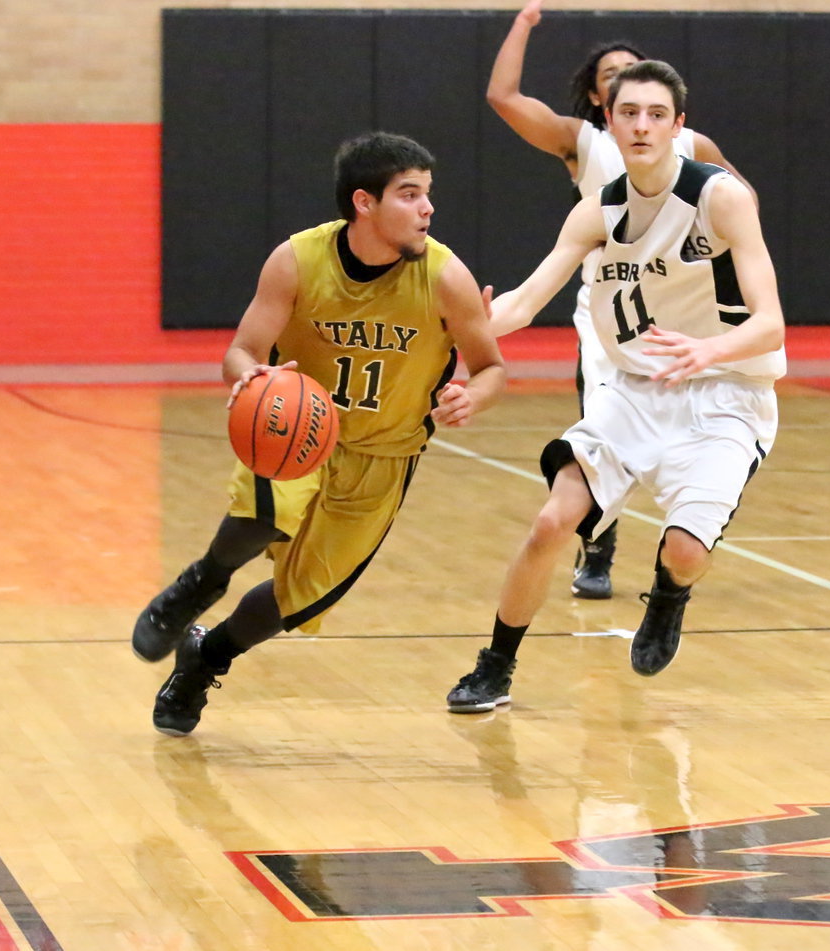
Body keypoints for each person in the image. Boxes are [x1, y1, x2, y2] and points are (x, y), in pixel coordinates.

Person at [135, 131, 506, 736]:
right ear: (365, 202)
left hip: (384, 455)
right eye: (410, 194)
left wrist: (472, 395)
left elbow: (491, 368)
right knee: (262, 518)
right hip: (297, 427)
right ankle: (201, 581)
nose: (427, 208)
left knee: (302, 597)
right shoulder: (297, 260)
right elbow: (241, 351)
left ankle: (205, 658)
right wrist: (251, 376)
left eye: (428, 194)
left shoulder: (446, 276)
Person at [446, 59, 785, 713]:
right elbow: (527, 299)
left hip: (726, 391)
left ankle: (669, 589)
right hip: (633, 388)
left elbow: (770, 325)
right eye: (629, 113)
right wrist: (478, 324)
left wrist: (706, 348)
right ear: (608, 120)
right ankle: (495, 664)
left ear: (679, 126)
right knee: (551, 521)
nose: (642, 126)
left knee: (685, 551)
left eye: (657, 114)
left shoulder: (720, 197)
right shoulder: (597, 211)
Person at [486, 0, 756, 601]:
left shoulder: (696, 155)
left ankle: (679, 553)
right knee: (596, 445)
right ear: (602, 104)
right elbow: (504, 98)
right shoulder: (583, 143)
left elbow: (745, 207)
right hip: (612, 311)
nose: (638, 116)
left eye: (650, 101)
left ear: (672, 118)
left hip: (684, 313)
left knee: (682, 449)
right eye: (615, 81)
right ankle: (597, 547)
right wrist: (522, 24)